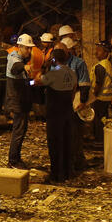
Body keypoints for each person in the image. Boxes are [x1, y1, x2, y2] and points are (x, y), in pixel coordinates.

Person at [35, 48, 78, 183]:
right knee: (67, 143)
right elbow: (73, 90)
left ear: (53, 59)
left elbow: (35, 81)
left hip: (55, 114)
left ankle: (56, 174)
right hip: (67, 112)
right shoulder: (72, 73)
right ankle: (68, 172)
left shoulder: (52, 75)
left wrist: (42, 69)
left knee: (55, 144)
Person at [61, 37, 91, 173]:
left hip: (75, 102)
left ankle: (77, 162)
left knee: (75, 134)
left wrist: (83, 101)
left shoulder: (79, 63)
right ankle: (70, 161)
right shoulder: (59, 63)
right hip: (62, 103)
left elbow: (84, 84)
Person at [6, 34, 35, 170]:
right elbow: (15, 68)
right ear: (20, 47)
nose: (29, 51)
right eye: (27, 48)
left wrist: (35, 81)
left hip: (23, 102)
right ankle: (13, 161)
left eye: (30, 49)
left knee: (21, 130)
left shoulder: (21, 59)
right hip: (18, 102)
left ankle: (16, 158)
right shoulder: (15, 58)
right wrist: (24, 67)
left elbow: (26, 81)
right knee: (18, 131)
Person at [87, 40, 112, 144]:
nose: (96, 52)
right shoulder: (107, 64)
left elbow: (98, 83)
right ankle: (104, 136)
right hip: (107, 98)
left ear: (106, 53)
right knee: (103, 118)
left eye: (99, 51)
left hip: (100, 98)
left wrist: (93, 95)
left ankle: (99, 139)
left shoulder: (100, 66)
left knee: (98, 119)